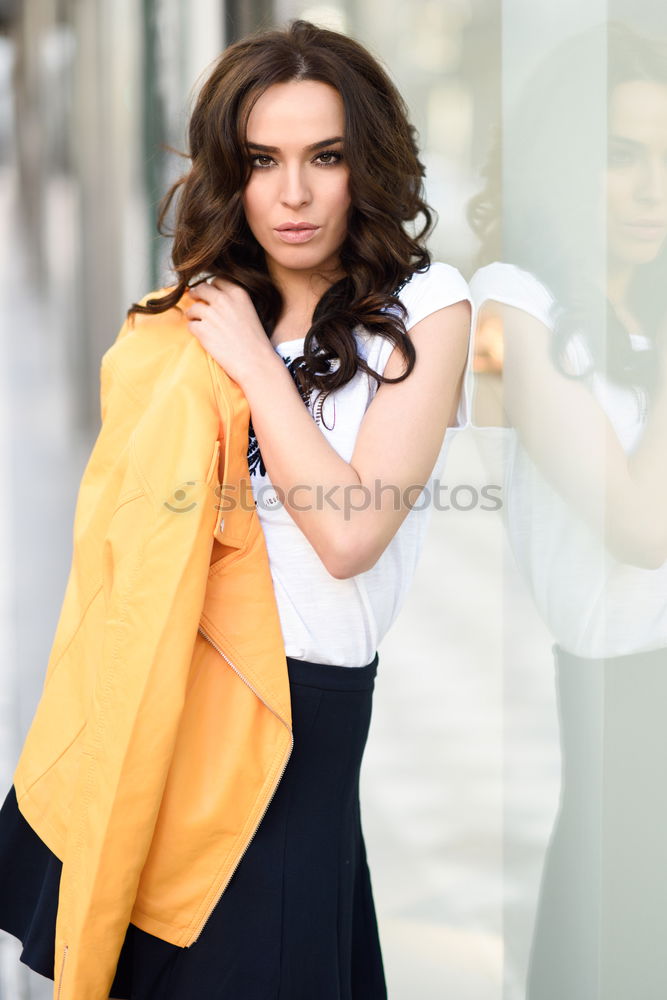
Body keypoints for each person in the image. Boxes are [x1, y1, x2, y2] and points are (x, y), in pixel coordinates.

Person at [0, 18, 473, 1000]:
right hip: (172, 696)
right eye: (262, 160)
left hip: (297, 723)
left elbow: (350, 531)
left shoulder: (425, 307)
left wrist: (259, 367)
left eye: (324, 157)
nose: (291, 194)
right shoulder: (207, 307)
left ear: (367, 164)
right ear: (230, 171)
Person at [467, 20, 667, 999]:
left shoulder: (647, 305)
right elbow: (639, 526)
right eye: (620, 157)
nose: (652, 189)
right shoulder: (513, 305)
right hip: (622, 717)